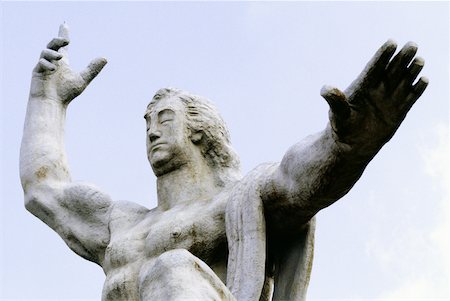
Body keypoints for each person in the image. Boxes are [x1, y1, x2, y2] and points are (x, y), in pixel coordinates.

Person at [20, 23, 428, 301]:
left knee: (173, 268)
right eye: (146, 123)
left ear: (200, 131)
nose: (152, 131)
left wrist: (344, 146)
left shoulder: (238, 199)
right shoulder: (121, 224)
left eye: (165, 119)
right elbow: (43, 190)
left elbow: (299, 179)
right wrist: (47, 101)